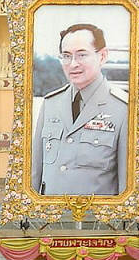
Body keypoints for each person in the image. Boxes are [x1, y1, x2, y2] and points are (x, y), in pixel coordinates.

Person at [30, 23, 129, 197]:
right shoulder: (51, 103)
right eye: (66, 56)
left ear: (102, 56)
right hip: (50, 213)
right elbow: (35, 173)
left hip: (97, 214)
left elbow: (127, 187)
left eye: (82, 55)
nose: (73, 64)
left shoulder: (123, 109)